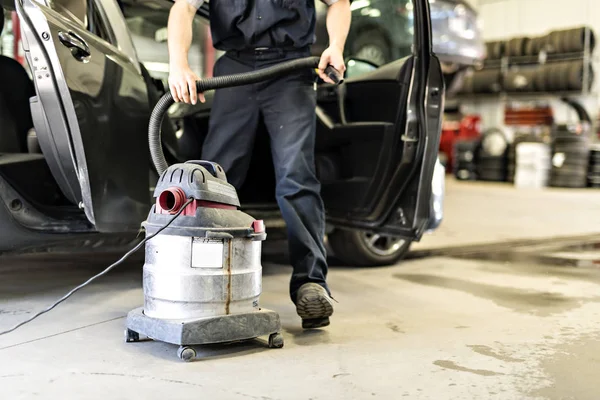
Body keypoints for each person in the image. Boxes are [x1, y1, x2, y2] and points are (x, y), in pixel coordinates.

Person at [167, 0, 350, 329]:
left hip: (291, 69)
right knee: (214, 181)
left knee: (296, 177)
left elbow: (339, 3)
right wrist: (178, 64)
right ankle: (203, 281)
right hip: (235, 68)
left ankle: (311, 284)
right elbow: (183, 8)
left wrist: (336, 47)